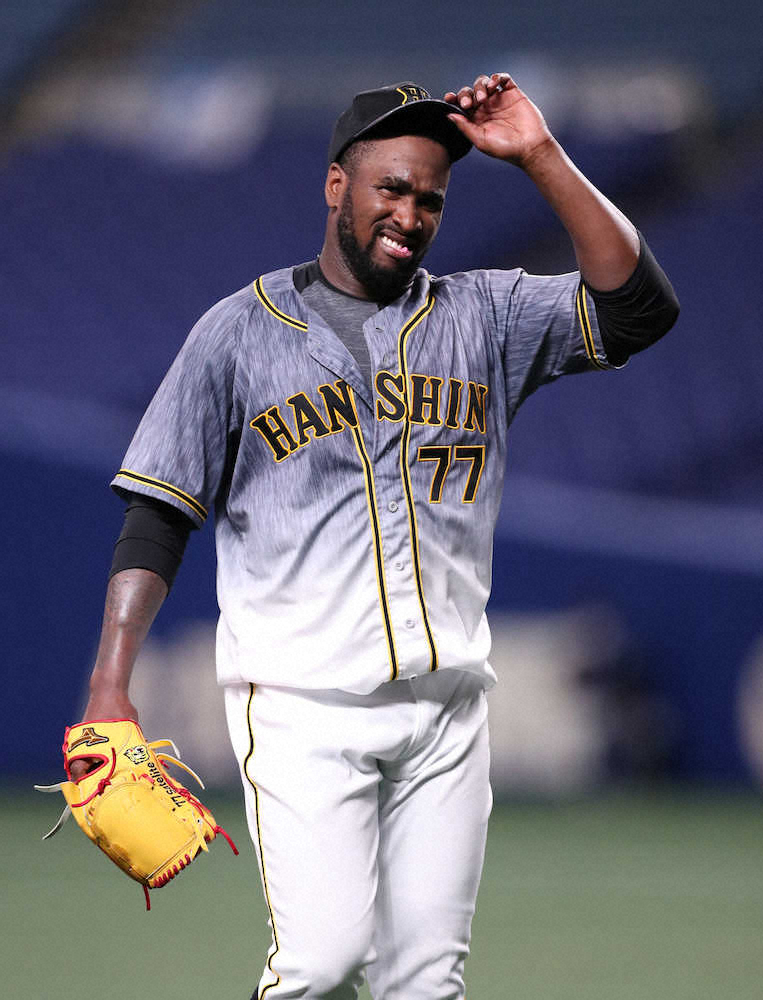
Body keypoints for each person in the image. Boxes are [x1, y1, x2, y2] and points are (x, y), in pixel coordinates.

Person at [72, 74, 679, 998]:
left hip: (447, 709)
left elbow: (640, 307)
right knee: (319, 964)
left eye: (430, 199)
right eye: (391, 187)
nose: (409, 214)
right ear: (336, 185)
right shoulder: (236, 334)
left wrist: (539, 155)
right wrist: (109, 687)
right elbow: (158, 515)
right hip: (301, 706)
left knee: (425, 981)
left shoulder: (486, 316)